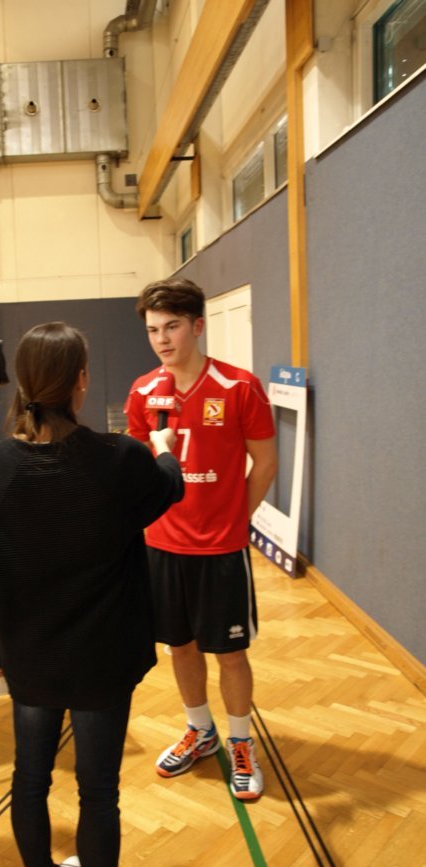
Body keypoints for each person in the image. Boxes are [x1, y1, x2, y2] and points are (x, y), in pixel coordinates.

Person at [0, 322, 184, 867]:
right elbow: (169, 487)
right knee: (98, 792)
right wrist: (165, 447)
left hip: (29, 655)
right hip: (101, 659)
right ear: (81, 381)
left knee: (29, 779)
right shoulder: (120, 459)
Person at [125, 277, 277, 800]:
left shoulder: (239, 387)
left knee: (230, 653)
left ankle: (241, 742)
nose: (162, 339)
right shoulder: (143, 391)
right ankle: (200, 729)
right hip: (163, 546)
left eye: (171, 327)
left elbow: (266, 462)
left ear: (197, 326)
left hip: (220, 549)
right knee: (180, 646)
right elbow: (138, 465)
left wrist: (236, 518)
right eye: (153, 330)